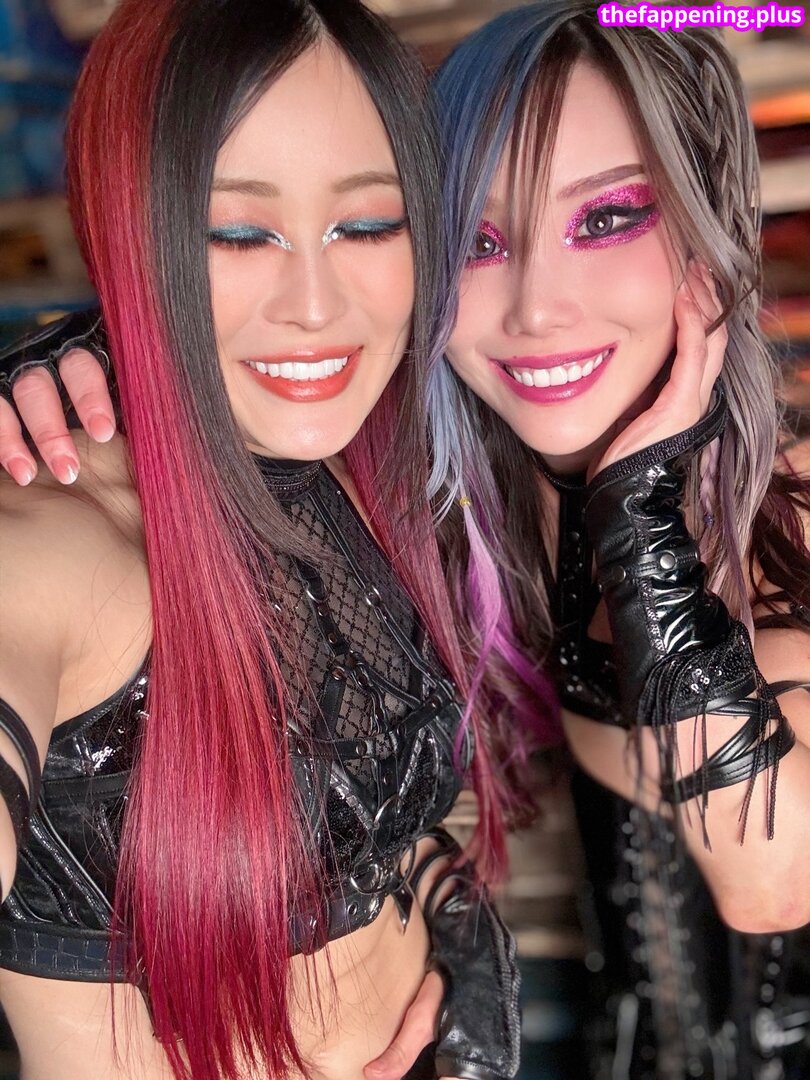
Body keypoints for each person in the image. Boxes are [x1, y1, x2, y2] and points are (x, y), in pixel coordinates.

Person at [0, 1, 545, 1078]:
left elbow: (357, 813)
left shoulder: (352, 466)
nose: (314, 304)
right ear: (136, 235)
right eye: (238, 234)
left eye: (368, 225)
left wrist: (458, 937)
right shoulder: (49, 544)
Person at [426, 4, 810, 1078]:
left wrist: (638, 509)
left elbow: (773, 883)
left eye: (605, 218)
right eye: (478, 242)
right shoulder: (473, 509)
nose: (535, 309)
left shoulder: (797, 508)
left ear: (704, 225)